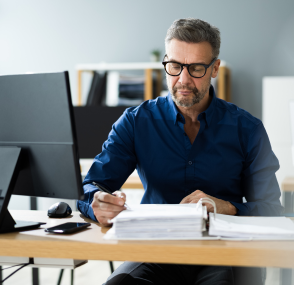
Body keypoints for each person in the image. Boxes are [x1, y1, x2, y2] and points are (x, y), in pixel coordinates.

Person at [77, 18, 283, 285]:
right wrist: (98, 203)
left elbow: (271, 210)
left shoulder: (248, 129)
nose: (183, 80)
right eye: (174, 66)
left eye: (196, 68)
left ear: (215, 68)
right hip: (156, 250)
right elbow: (90, 187)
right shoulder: (136, 122)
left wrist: (229, 208)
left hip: (226, 251)